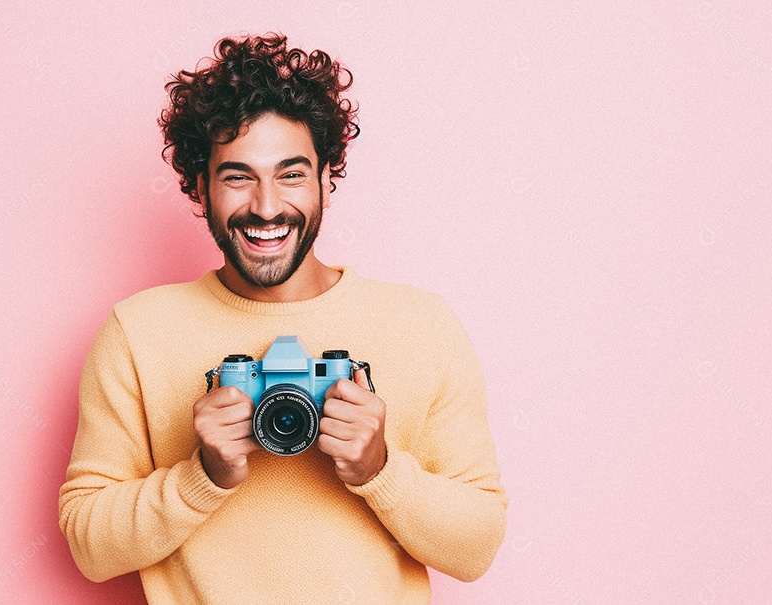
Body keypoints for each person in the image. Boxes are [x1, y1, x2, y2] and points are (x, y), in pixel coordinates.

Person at [59, 33, 507, 604]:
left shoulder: (422, 325)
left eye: (291, 174)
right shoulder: (136, 333)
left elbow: (477, 549)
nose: (266, 207)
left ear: (327, 179)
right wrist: (204, 475)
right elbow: (89, 549)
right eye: (237, 177)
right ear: (200, 186)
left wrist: (381, 469)